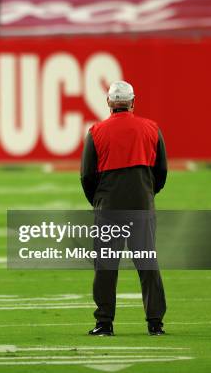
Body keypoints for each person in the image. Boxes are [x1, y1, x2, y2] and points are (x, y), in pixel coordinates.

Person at [80, 80, 168, 336]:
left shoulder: (96, 132)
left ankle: (104, 323)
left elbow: (87, 176)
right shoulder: (151, 128)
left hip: (108, 208)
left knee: (106, 266)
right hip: (142, 205)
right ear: (132, 102)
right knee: (148, 264)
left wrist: (99, 201)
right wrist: (148, 194)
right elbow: (161, 170)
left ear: (109, 103)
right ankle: (155, 323)